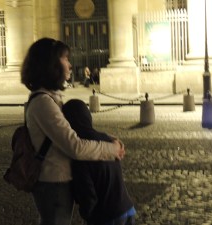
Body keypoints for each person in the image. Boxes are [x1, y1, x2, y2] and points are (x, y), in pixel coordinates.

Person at [20, 37, 125, 225]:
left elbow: (74, 131)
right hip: (53, 183)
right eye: (65, 59)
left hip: (56, 181)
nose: (69, 64)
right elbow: (74, 146)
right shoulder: (43, 103)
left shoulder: (49, 99)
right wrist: (112, 150)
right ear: (50, 64)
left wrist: (108, 139)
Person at [62, 99, 136, 225]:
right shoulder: (108, 140)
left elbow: (88, 195)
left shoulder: (82, 152)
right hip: (127, 208)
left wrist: (86, 214)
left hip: (106, 216)